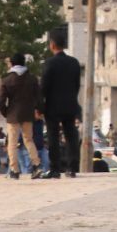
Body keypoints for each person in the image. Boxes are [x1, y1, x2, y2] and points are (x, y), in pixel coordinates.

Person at [40, 29, 82, 179]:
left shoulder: (49, 63)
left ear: (52, 45)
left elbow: (44, 87)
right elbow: (77, 85)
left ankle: (55, 169)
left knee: (53, 137)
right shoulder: (74, 63)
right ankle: (72, 168)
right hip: (70, 104)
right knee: (71, 136)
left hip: (52, 106)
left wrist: (40, 106)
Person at [0, 53, 43, 180]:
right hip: (28, 114)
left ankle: (14, 170)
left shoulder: (6, 80)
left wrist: (6, 112)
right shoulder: (32, 79)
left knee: (12, 143)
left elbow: (1, 101)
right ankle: (37, 165)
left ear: (12, 63)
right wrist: (39, 110)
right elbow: (39, 98)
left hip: (13, 115)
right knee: (28, 140)